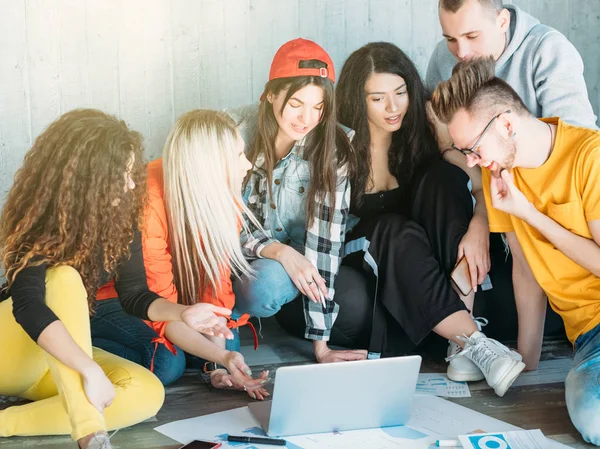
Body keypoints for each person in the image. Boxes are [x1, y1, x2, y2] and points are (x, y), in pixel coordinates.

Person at [280, 42, 523, 396]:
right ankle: (474, 340)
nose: (393, 108)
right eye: (378, 98)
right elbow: (324, 238)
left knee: (443, 177)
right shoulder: (338, 146)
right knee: (394, 227)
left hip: (414, 254)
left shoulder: (424, 127)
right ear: (356, 99)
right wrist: (321, 345)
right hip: (355, 251)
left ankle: (459, 344)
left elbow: (478, 178)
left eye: (400, 93)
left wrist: (479, 224)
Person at [0, 109, 231, 449]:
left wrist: (182, 312)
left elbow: (135, 296)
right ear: (87, 179)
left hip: (55, 364)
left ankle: (6, 424)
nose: (130, 184)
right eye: (120, 175)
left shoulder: (121, 220)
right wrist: (90, 370)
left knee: (147, 393)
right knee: (64, 278)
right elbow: (29, 308)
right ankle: (91, 435)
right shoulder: (37, 220)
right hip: (15, 351)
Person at [431, 56, 600, 445]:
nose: (473, 161)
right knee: (591, 415)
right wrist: (527, 360)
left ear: (506, 123)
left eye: (473, 149)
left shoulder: (588, 157)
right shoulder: (500, 178)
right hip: (591, 336)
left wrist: (530, 213)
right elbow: (525, 271)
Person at [91, 110, 269, 399]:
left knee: (228, 344)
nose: (248, 164)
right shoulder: (146, 199)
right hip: (116, 299)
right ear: (210, 165)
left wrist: (217, 366)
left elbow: (215, 286)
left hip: (172, 301)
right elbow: (151, 301)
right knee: (166, 364)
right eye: (237, 156)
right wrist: (217, 357)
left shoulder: (223, 194)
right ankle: (76, 347)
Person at [228, 38, 367, 363]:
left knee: (269, 285)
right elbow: (215, 221)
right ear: (272, 94)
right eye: (296, 104)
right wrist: (279, 250)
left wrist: (322, 347)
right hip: (226, 255)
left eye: (318, 107)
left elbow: (325, 244)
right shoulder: (235, 131)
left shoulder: (333, 147)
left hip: (278, 270)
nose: (307, 118)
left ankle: (226, 321)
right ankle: (212, 330)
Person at [426, 0, 596, 129]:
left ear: (502, 22)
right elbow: (434, 126)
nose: (461, 53)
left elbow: (576, 136)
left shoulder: (548, 49)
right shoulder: (443, 54)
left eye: (472, 36)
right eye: (450, 39)